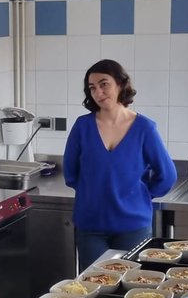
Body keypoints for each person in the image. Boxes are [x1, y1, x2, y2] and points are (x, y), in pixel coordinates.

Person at [63, 59, 177, 269]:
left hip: (133, 226)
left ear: (121, 84)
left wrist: (139, 194)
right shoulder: (83, 126)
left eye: (104, 84)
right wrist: (95, 192)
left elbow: (167, 175)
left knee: (133, 288)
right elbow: (70, 173)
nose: (98, 92)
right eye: (92, 88)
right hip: (90, 225)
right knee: (94, 286)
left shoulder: (145, 128)